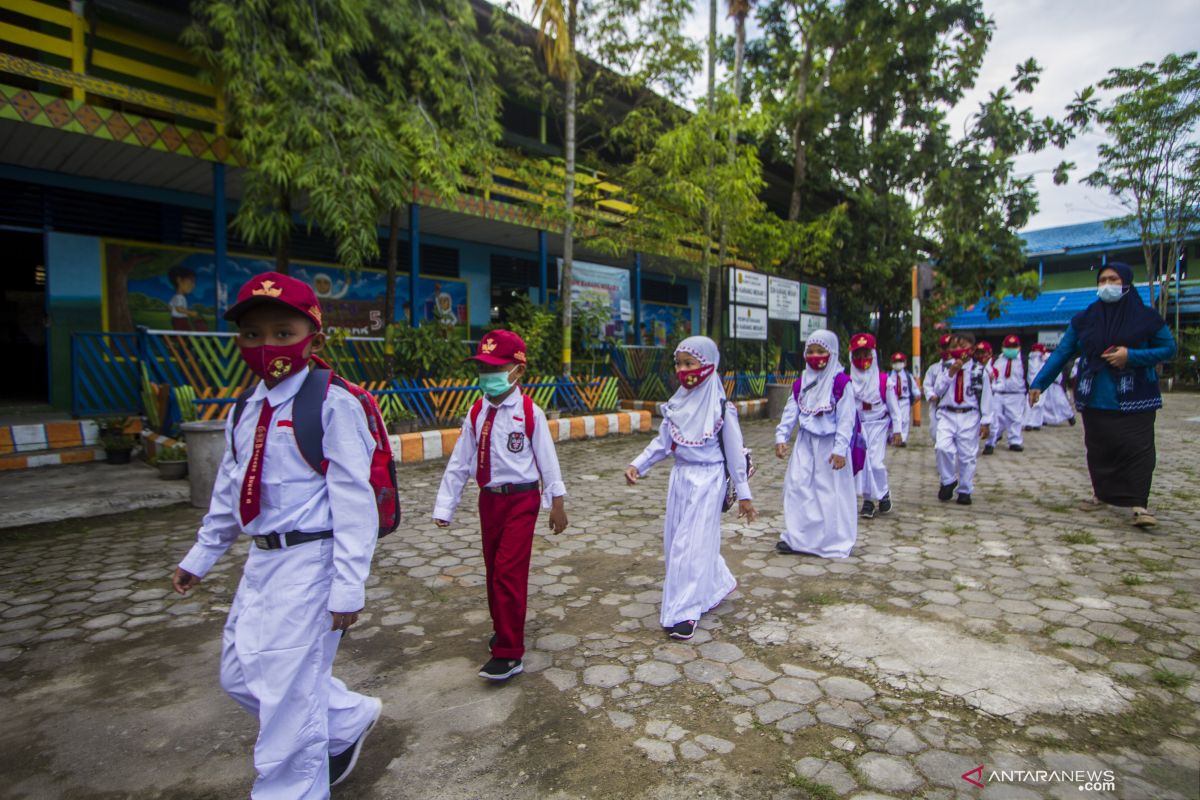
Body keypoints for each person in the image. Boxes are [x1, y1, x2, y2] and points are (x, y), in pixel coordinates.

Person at [171, 272, 382, 797]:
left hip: (312, 559)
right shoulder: (244, 409)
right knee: (239, 675)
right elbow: (230, 486)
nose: (267, 347)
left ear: (314, 336)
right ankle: (347, 717)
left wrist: (349, 585)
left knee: (286, 701)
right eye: (252, 334)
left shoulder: (334, 403)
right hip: (262, 562)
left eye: (282, 333)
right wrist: (202, 554)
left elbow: (356, 503)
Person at [434, 330, 569, 679]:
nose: (487, 376)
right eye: (482, 368)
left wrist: (557, 502)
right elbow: (460, 460)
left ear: (518, 371)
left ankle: (510, 652)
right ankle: (502, 627)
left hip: (521, 500)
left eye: (496, 368)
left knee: (509, 571)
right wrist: (444, 506)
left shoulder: (529, 412)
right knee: (494, 570)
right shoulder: (477, 410)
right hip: (489, 502)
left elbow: (547, 459)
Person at [625, 336, 757, 640]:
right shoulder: (676, 405)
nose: (683, 370)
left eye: (690, 363)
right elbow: (662, 444)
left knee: (690, 545)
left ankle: (685, 612)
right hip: (681, 480)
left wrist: (745, 495)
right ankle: (718, 582)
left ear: (709, 366)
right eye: (679, 363)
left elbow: (736, 455)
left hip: (708, 481)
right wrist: (638, 465)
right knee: (677, 543)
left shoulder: (723, 410)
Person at [1029, 263, 1176, 528]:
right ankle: (1101, 495)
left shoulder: (1147, 318)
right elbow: (1063, 352)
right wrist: (1039, 383)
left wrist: (1131, 356)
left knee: (1137, 450)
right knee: (1099, 449)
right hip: (1095, 395)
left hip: (1135, 396)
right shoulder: (1085, 319)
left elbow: (1168, 349)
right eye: (1103, 280)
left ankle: (1139, 505)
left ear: (1127, 282)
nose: (1107, 284)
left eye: (1113, 279)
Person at [774, 329, 858, 558]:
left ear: (832, 353)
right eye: (810, 351)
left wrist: (841, 449)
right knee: (797, 487)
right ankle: (798, 538)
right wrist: (781, 436)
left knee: (829, 493)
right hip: (805, 443)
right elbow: (791, 410)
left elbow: (846, 419)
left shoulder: (841, 383)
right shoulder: (801, 383)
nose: (815, 356)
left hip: (830, 447)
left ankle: (832, 541)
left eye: (821, 351)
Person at [932, 332, 993, 505]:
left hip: (969, 415)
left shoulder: (980, 371)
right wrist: (951, 372)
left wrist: (986, 421)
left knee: (967, 455)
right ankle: (948, 480)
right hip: (947, 413)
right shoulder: (945, 368)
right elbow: (937, 390)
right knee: (942, 447)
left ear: (972, 349)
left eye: (962, 346)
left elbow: (986, 397)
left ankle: (965, 489)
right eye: (954, 347)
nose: (958, 350)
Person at [849, 333, 899, 518]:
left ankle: (884, 491)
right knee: (864, 464)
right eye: (858, 356)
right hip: (859, 426)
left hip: (878, 423)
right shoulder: (849, 382)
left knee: (876, 463)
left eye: (866, 355)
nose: (862, 360)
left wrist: (898, 430)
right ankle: (869, 501)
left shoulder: (884, 380)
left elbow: (894, 407)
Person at [986, 334, 1029, 454]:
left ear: (1019, 347)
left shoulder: (1023, 360)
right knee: (995, 418)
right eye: (1008, 346)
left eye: (1014, 346)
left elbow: (1028, 376)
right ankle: (991, 442)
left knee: (1015, 418)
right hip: (997, 393)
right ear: (1002, 347)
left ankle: (1015, 441)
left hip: (1016, 393)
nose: (1011, 349)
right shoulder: (996, 360)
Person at [923, 333, 953, 444]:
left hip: (952, 406)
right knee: (935, 432)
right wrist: (931, 395)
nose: (946, 351)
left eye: (949, 347)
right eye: (943, 348)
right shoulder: (934, 368)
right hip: (937, 406)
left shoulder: (960, 367)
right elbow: (927, 384)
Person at [1039, 344, 1077, 427]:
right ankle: (1044, 419)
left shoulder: (1055, 360)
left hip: (1056, 386)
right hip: (1047, 386)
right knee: (1046, 404)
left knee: (1061, 402)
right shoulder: (1041, 359)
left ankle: (1070, 417)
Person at [885, 351, 917, 447]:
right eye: (895, 362)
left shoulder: (908, 376)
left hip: (904, 400)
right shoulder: (888, 375)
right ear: (891, 363)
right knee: (892, 418)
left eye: (900, 361)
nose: (898, 364)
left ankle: (902, 439)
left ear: (905, 363)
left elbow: (915, 390)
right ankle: (891, 437)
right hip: (893, 400)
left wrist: (914, 399)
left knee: (904, 420)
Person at [1024, 343, 1048, 430]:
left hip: (1036, 384)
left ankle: (1035, 423)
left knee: (1036, 404)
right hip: (1038, 384)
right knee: (1035, 404)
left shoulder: (1033, 358)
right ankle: (1031, 422)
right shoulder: (1036, 359)